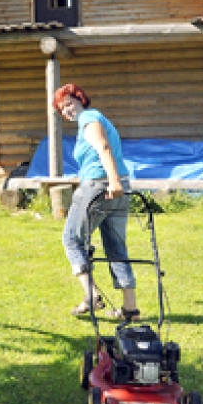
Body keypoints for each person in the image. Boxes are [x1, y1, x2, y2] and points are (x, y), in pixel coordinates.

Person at [53, 83, 140, 321]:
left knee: (72, 239)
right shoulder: (96, 117)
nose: (67, 111)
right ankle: (130, 309)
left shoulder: (88, 118)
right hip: (118, 186)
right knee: (116, 247)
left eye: (69, 103)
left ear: (81, 100)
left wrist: (112, 182)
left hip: (102, 186)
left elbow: (103, 147)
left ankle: (91, 295)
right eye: (62, 109)